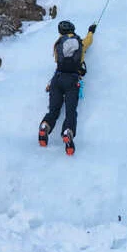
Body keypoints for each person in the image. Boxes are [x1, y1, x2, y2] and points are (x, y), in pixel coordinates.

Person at [39, 20, 95, 155]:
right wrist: (91, 31)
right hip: (72, 80)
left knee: (54, 110)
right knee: (70, 111)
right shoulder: (80, 43)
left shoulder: (58, 44)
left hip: (57, 80)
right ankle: (67, 131)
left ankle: (45, 126)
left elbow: (58, 64)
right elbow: (89, 41)